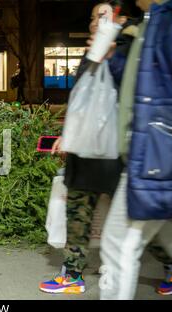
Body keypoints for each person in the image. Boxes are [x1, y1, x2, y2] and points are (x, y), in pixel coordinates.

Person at [38, 2, 125, 295]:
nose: (95, 21)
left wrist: (112, 58)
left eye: (102, 16)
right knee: (78, 212)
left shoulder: (126, 48)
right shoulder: (90, 52)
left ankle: (171, 266)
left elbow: (129, 91)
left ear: (118, 19)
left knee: (133, 220)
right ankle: (73, 273)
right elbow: (81, 102)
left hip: (112, 152)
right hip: (85, 150)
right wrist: (67, 136)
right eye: (92, 17)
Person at [100, 0, 172, 300]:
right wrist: (112, 58)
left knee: (117, 244)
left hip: (156, 156)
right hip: (156, 154)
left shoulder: (169, 21)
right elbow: (142, 86)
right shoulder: (151, 21)